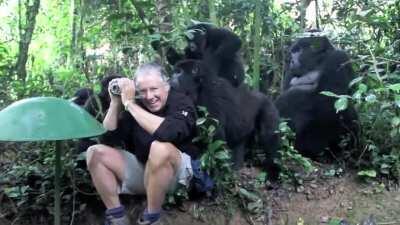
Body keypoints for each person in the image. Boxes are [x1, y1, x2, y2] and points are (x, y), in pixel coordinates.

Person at [86, 62, 199, 225]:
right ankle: (117, 217)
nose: (148, 96)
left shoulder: (181, 102)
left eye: (154, 89)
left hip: (177, 178)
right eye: (143, 91)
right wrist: (116, 102)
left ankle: (152, 218)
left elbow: (168, 133)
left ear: (166, 86)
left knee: (159, 148)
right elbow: (108, 138)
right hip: (145, 173)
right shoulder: (136, 106)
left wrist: (130, 104)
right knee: (95, 153)